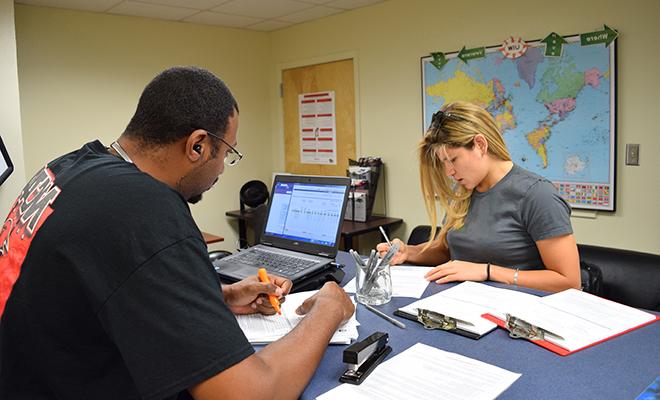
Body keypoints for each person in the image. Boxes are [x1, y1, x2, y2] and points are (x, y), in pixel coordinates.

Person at [0, 66, 354, 400]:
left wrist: (220, 296)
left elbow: (94, 285)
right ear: (198, 145)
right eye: (226, 153)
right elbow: (250, 393)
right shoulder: (143, 206)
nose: (221, 170)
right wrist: (328, 310)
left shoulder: (73, 167)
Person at [377, 101, 580, 293]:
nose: (449, 172)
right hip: (462, 304)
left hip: (517, 316)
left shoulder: (537, 195)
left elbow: (568, 282)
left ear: (480, 144)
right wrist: (408, 253)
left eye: (453, 160)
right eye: (443, 163)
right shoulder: (463, 191)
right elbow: (447, 252)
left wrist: (487, 272)